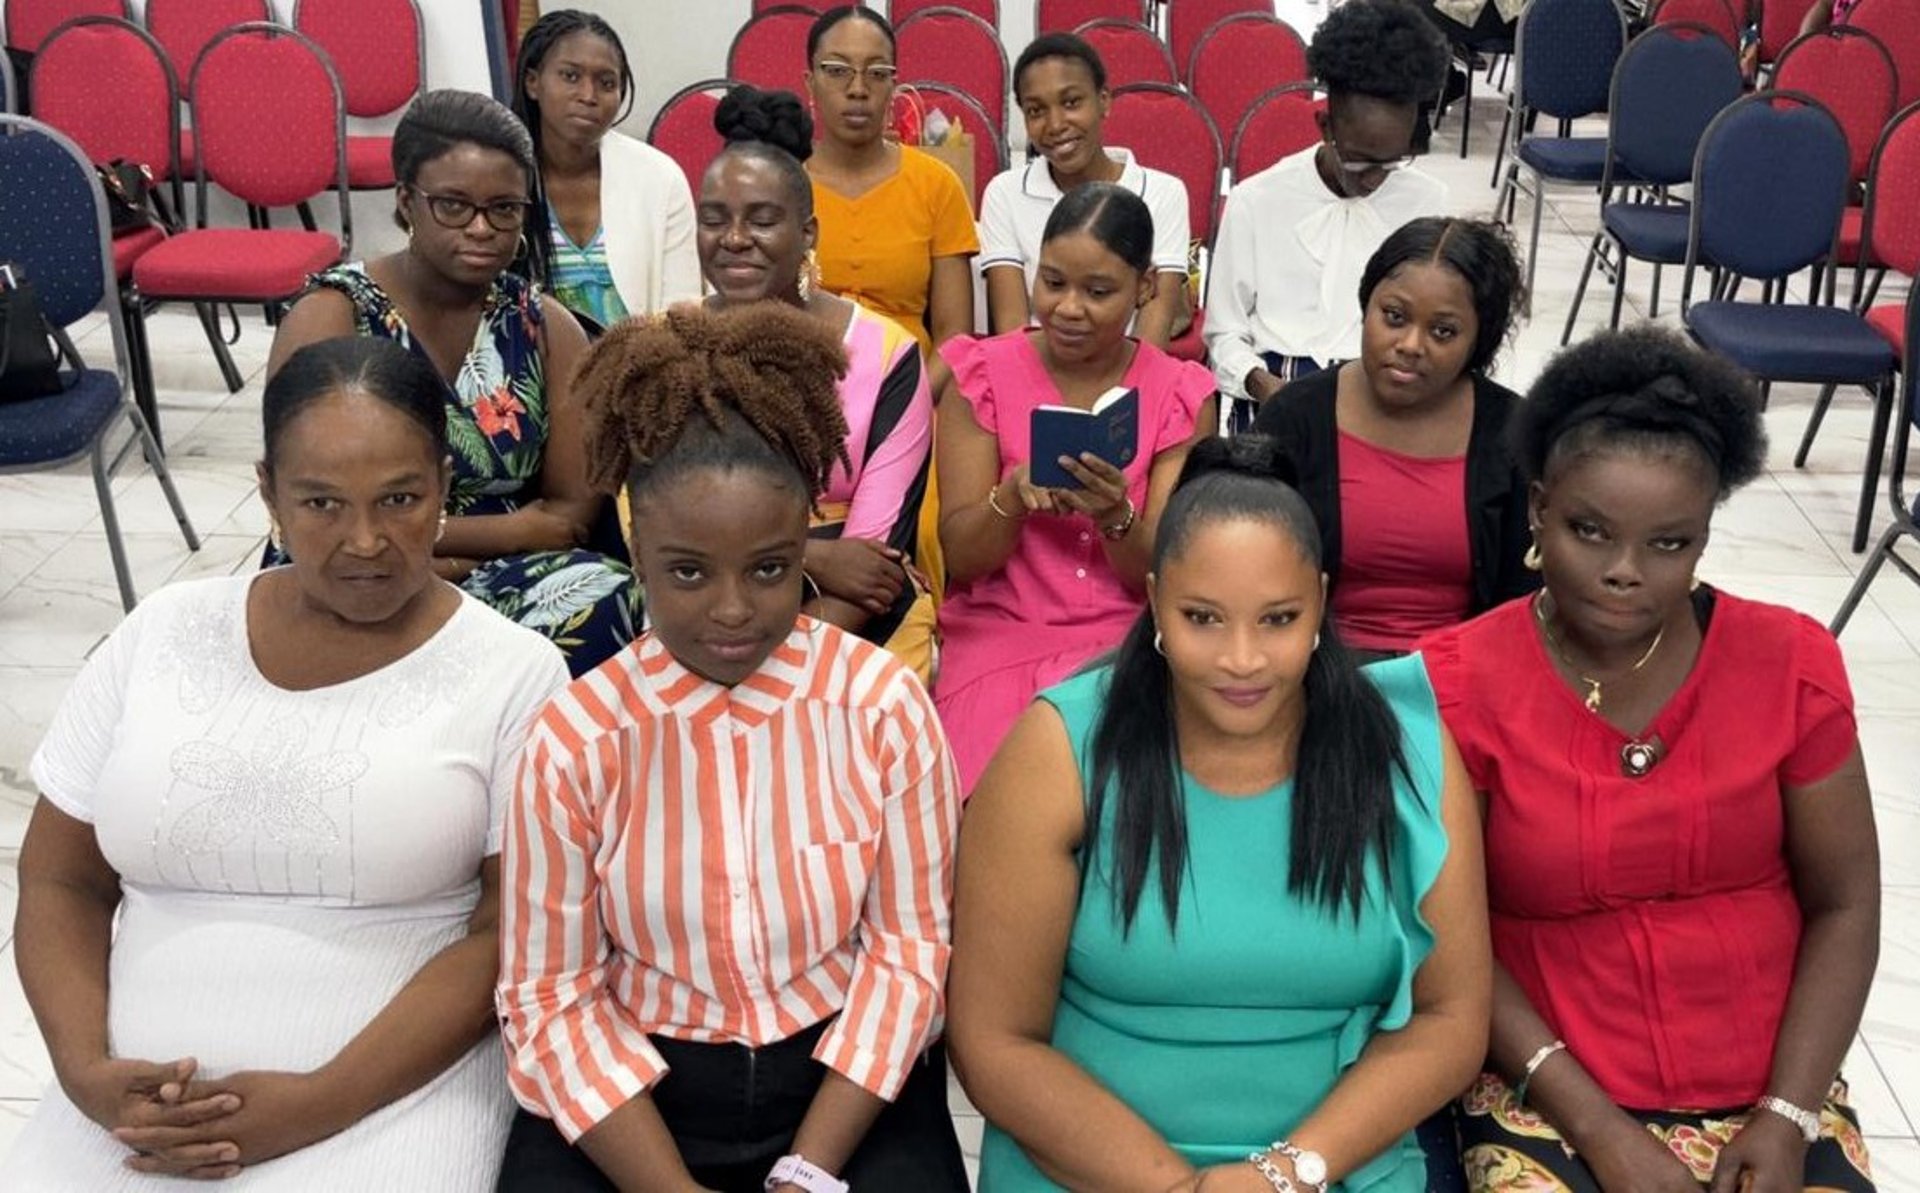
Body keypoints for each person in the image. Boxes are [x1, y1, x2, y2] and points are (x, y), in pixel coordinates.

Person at [3, 337, 569, 1190]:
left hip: (389, 1099)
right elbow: (61, 880)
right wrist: (85, 1071)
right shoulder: (162, 631)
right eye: (321, 503)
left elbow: (506, 933)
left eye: (401, 498)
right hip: (134, 1110)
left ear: (445, 486)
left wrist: (315, 1102)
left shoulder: (516, 672)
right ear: (268, 492)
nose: (365, 540)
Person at [495, 303, 969, 1193]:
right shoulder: (578, 739)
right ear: (637, 551)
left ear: (805, 549)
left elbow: (908, 954)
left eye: (769, 568)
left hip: (841, 1079)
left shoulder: (881, 707)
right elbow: (551, 995)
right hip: (636, 1086)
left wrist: (806, 1171)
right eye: (687, 571)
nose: (732, 610)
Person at [947, 433, 1492, 1192]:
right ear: (1155, 601)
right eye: (1203, 618)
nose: (1242, 658)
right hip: (1086, 1172)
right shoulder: (1059, 749)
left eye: (1278, 618)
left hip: (1330, 1169)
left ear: (1321, 603)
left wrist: (1282, 1174)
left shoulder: (1408, 749)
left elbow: (1451, 1019)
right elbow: (994, 1041)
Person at [1419, 327, 1880, 1192]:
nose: (1624, 572)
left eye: (1670, 543)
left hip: (1773, 1078)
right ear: (1538, 507)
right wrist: (1602, 1132)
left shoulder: (1790, 663)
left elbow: (1846, 902)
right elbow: (1448, 938)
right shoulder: (1455, 685)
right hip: (1547, 1075)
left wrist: (1787, 1114)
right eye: (1590, 530)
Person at [267, 89, 637, 678]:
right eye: (454, 206)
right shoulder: (333, 316)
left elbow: (566, 519)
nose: (482, 228)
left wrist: (449, 558)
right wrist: (509, 530)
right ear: (406, 201)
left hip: (501, 577)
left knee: (607, 593)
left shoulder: (544, 327)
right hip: (349, 563)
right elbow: (304, 507)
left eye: (505, 209)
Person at [936, 181, 1217, 791]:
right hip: (1001, 632)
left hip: (1130, 638)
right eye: (1053, 282)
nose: (1067, 308)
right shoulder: (981, 374)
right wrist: (1011, 499)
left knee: (1125, 798)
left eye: (1098, 292)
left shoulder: (1179, 394)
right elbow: (962, 557)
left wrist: (1115, 514)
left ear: (1145, 288)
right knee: (995, 795)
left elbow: (1166, 572)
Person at [696, 85, 937, 682]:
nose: (734, 239)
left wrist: (776, 672)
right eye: (714, 220)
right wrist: (811, 555)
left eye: (762, 220)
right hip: (699, 611)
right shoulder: (663, 348)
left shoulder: (886, 354)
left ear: (808, 233)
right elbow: (654, 532)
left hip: (850, 613)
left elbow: (873, 568)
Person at [1251, 217, 1534, 659]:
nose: (1410, 344)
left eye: (1443, 331)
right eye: (1394, 317)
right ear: (1366, 306)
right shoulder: (1294, 416)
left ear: (1479, 341)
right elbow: (1244, 568)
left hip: (1463, 673)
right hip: (1311, 668)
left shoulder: (1513, 431)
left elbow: (1526, 598)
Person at [1206, 0, 1451, 432]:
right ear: (1325, 127)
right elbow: (1224, 333)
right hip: (1275, 388)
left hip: (1385, 392)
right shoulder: (1256, 201)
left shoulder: (1428, 202)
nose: (1375, 178)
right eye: (1360, 161)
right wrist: (1263, 385)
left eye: (1392, 161)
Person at [979, 32, 1192, 349]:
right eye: (1036, 111)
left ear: (1103, 101)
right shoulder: (1004, 193)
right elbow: (1012, 333)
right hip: (1034, 367)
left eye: (1071, 103)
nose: (1055, 125)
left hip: (1129, 369)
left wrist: (1121, 383)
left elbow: (1153, 333)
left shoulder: (1164, 193)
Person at [802, 5, 977, 357]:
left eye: (877, 73)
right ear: (810, 84)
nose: (858, 89)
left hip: (913, 379)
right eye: (837, 71)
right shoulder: (785, 184)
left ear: (893, 87)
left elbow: (954, 338)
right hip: (803, 378)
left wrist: (919, 389)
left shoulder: (937, 184)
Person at [514, 8, 700, 330]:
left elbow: (681, 313)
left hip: (644, 357)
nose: (589, 96)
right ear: (533, 82)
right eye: (570, 76)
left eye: (606, 83)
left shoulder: (660, 177)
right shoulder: (503, 176)